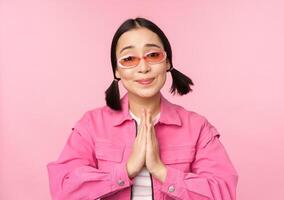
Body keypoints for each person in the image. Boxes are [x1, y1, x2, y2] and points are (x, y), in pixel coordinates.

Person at [47, 17, 239, 200]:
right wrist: (127, 169)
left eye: (153, 55)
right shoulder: (91, 125)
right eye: (129, 59)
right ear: (116, 70)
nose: (143, 68)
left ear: (168, 62)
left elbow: (223, 193)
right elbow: (64, 190)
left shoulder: (197, 127)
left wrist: (161, 171)